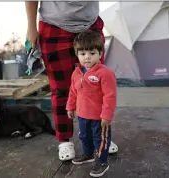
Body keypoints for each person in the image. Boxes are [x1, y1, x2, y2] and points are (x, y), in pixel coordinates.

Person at [25, 1, 118, 161]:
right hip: (54, 26)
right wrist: (31, 26)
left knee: (97, 86)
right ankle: (64, 140)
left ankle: (101, 136)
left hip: (90, 24)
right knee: (60, 89)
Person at [66, 31, 116, 177]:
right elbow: (73, 91)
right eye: (82, 53)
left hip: (99, 118)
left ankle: (102, 161)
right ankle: (88, 154)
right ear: (77, 54)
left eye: (92, 53)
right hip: (82, 115)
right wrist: (70, 106)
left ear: (100, 54)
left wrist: (107, 115)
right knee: (84, 137)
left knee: (100, 139)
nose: (87, 57)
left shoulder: (105, 73)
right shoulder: (76, 72)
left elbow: (110, 96)